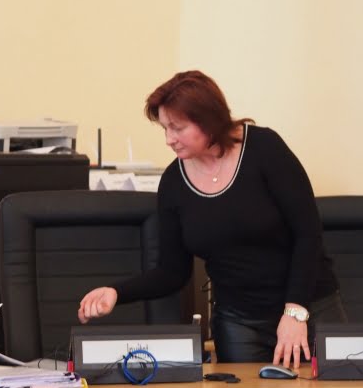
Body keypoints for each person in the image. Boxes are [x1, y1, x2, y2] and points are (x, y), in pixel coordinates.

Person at [77, 70, 347, 368]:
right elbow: (172, 272)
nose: (169, 140)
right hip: (240, 323)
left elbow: (308, 233)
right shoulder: (173, 183)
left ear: (207, 120)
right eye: (165, 128)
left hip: (309, 306)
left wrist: (295, 312)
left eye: (177, 128)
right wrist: (117, 292)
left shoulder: (265, 149)